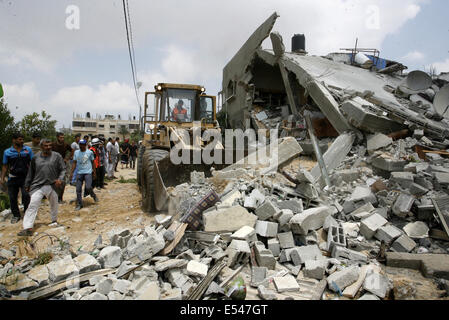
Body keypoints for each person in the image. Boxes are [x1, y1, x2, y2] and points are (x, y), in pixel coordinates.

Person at [17, 139, 66, 236]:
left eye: (50, 145)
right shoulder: (35, 158)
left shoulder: (57, 156)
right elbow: (31, 172)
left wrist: (60, 179)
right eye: (46, 146)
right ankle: (27, 227)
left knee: (54, 204)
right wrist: (27, 184)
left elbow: (63, 169)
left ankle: (54, 221)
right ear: (41, 147)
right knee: (33, 205)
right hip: (38, 185)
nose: (48, 147)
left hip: (53, 185)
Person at [1, 133, 33, 224]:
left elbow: (32, 163)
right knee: (12, 197)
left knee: (26, 195)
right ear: (14, 140)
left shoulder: (28, 150)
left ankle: (27, 214)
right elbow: (5, 166)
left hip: (25, 178)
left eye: (22, 139)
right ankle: (16, 215)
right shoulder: (7, 152)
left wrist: (33, 176)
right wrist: (2, 178)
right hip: (13, 178)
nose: (22, 141)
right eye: (19, 139)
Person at [70, 140, 98, 211]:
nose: (81, 146)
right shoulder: (76, 152)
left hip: (88, 172)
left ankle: (93, 195)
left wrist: (94, 172)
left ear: (85, 145)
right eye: (80, 144)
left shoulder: (89, 152)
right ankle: (80, 204)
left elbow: (93, 163)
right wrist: (72, 173)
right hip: (79, 173)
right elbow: (74, 163)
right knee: (78, 189)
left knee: (88, 187)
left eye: (83, 144)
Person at [51, 132, 72, 203]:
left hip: (63, 165)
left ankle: (60, 198)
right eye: (61, 137)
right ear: (57, 137)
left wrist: (67, 158)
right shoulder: (53, 145)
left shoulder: (66, 145)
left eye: (63, 137)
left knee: (62, 182)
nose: (62, 139)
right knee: (54, 182)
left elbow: (72, 150)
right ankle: (54, 198)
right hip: (54, 165)